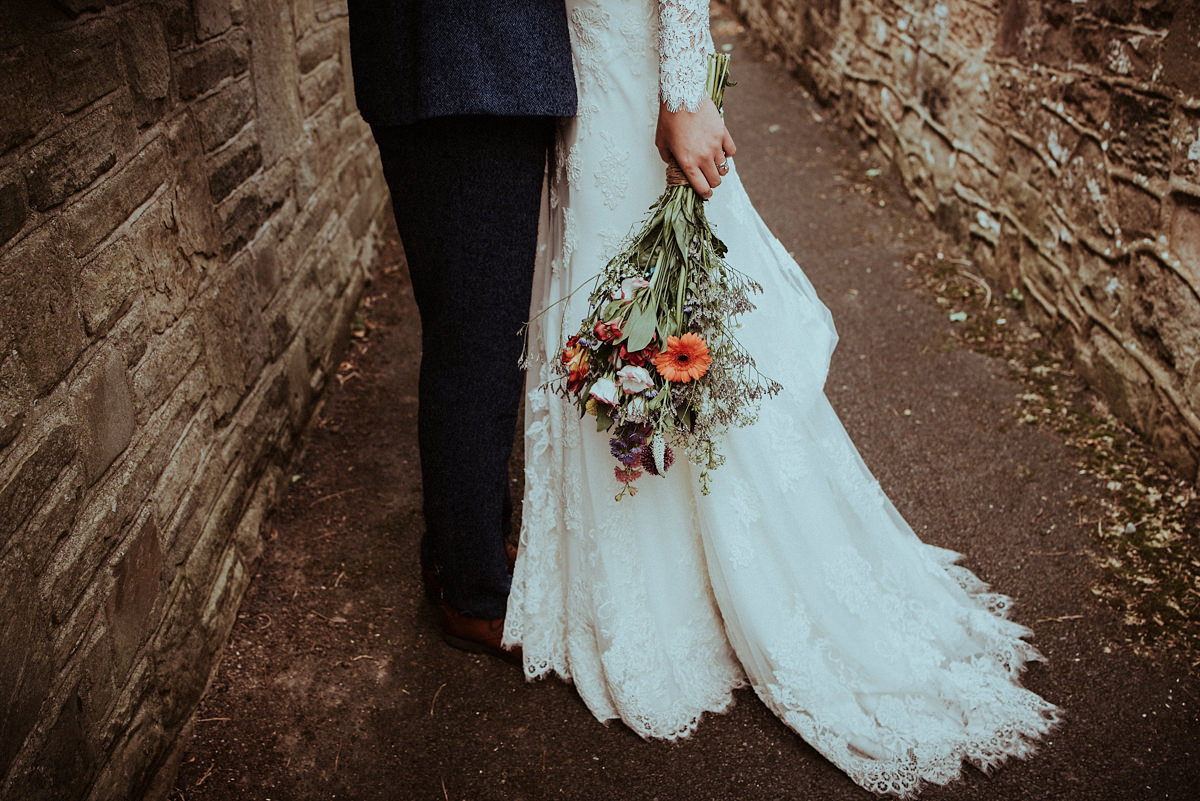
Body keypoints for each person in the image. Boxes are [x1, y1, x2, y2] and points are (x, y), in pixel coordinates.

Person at [503, 1, 1061, 796]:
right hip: (588, 101)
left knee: (675, 323)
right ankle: (641, 574)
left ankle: (730, 573)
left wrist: (683, 95)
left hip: (640, 100)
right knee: (616, 317)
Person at [345, 1, 576, 659]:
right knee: (477, 337)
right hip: (473, 64)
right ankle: (473, 592)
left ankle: (459, 546)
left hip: (455, 64)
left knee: (469, 322)